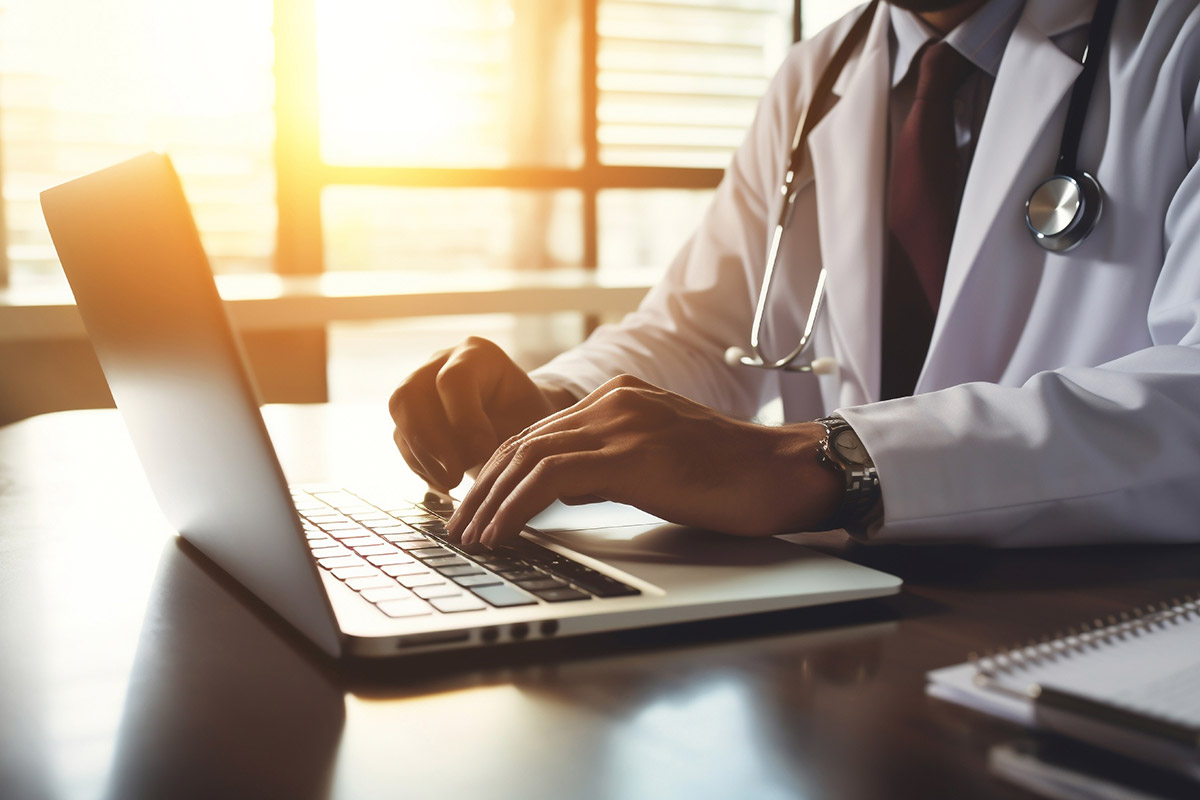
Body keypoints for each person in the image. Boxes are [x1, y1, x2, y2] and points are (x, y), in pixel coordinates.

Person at [389, 0, 1200, 550]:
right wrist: (554, 410)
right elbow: (703, 330)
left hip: (1088, 620)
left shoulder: (1177, 42)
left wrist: (824, 463)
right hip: (840, 622)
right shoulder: (817, 74)